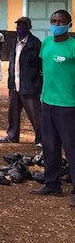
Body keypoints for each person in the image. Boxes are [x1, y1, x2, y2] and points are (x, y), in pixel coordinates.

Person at [31, 10, 75, 203]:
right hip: (47, 103)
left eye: (61, 21)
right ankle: (52, 184)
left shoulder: (73, 47)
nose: (56, 24)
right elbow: (44, 69)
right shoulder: (46, 43)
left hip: (68, 105)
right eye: (53, 21)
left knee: (71, 148)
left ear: (69, 25)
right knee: (50, 146)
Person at [0, 17, 42, 145]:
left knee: (35, 114)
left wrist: (38, 83)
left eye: (23, 26)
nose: (19, 28)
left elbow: (41, 64)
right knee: (13, 112)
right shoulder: (14, 42)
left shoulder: (35, 43)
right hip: (14, 84)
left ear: (29, 27)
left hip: (29, 85)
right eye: (18, 26)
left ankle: (41, 139)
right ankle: (12, 136)